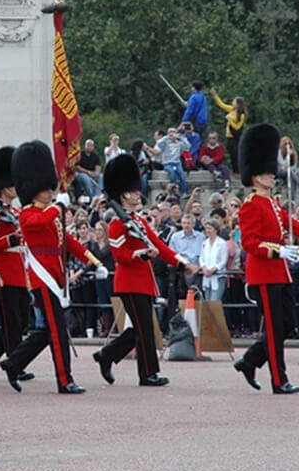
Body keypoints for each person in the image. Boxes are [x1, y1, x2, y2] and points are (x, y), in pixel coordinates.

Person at [232, 124, 299, 395]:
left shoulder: (274, 203)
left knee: (288, 324)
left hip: (280, 273)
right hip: (264, 273)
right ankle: (279, 380)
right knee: (276, 328)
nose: (272, 175)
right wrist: (277, 251)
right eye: (267, 172)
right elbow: (250, 243)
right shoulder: (250, 205)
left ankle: (251, 360)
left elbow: (296, 227)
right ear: (255, 177)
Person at [0, 141, 107, 394]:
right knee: (58, 330)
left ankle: (13, 363)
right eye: (45, 189)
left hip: (56, 276)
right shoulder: (27, 213)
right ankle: (64, 379)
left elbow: (68, 242)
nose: (50, 191)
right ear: (32, 189)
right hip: (41, 276)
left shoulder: (50, 212)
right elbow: (40, 221)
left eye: (51, 188)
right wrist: (59, 206)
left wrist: (94, 261)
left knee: (47, 330)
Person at [93, 153, 188, 386]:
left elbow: (160, 246)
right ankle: (148, 373)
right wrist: (142, 254)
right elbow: (121, 257)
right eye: (133, 191)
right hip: (129, 283)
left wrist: (181, 262)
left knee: (140, 328)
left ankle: (107, 355)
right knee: (145, 329)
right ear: (122, 194)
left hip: (144, 282)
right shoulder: (117, 224)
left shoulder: (139, 222)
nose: (137, 194)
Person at [0, 147, 33, 377]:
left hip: (19, 270)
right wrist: (11, 238)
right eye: (12, 184)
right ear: (3, 186)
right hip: (2, 270)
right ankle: (15, 364)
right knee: (12, 321)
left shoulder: (16, 211)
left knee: (22, 321)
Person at [210, 88, 247, 176]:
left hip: (236, 136)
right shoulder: (231, 110)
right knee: (232, 154)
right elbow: (222, 105)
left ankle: (238, 171)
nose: (232, 103)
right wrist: (215, 96)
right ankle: (235, 171)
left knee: (236, 154)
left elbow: (237, 127)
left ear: (238, 104)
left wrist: (229, 119)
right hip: (229, 136)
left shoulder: (241, 114)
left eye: (234, 102)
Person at [168, 213, 204, 297]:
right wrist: (185, 265)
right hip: (182, 268)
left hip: (197, 268)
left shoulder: (201, 237)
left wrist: (198, 266)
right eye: (184, 223)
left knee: (197, 293)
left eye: (188, 223)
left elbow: (204, 253)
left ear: (193, 224)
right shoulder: (175, 237)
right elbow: (173, 254)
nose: (186, 226)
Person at [155, 126, 190, 197]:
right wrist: (167, 137)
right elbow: (159, 143)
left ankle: (185, 192)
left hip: (177, 163)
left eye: (173, 132)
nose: (172, 134)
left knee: (182, 175)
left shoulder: (179, 143)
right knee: (172, 172)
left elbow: (187, 147)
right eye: (170, 132)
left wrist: (181, 138)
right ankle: (174, 189)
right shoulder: (165, 143)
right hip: (167, 163)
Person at [198, 219, 228, 301]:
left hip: (218, 276)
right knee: (207, 302)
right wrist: (204, 267)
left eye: (210, 228)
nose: (207, 231)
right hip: (206, 276)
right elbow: (201, 258)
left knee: (214, 301)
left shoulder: (222, 243)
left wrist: (214, 269)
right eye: (206, 228)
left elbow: (223, 260)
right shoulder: (204, 243)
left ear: (216, 230)